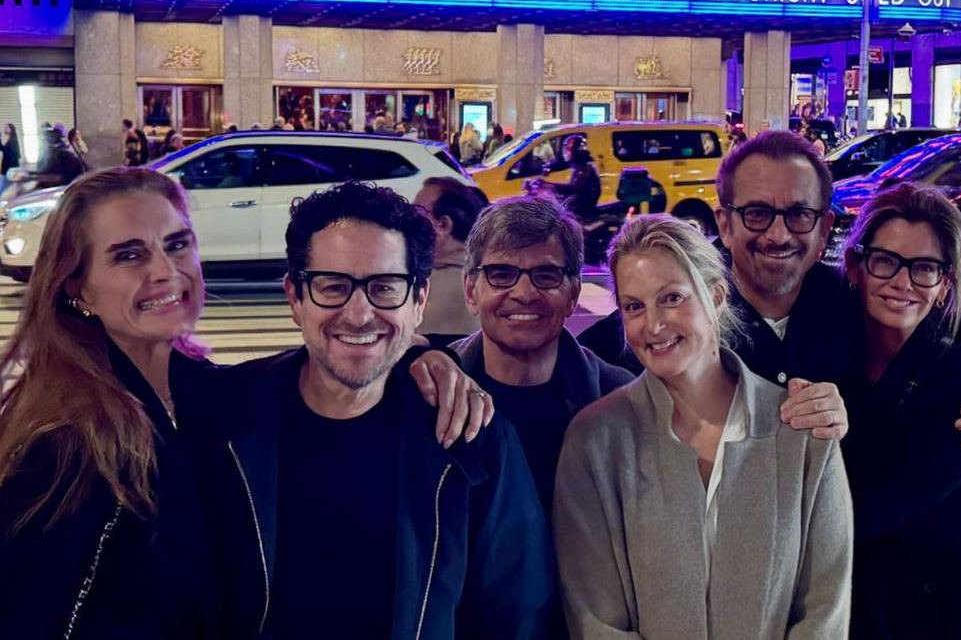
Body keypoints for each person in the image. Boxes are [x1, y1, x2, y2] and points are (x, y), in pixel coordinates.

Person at [179, 182, 555, 638]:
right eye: (333, 286)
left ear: (419, 302)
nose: (358, 314)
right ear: (294, 297)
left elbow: (517, 618)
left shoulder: (471, 439)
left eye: (384, 287)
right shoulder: (224, 420)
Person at [580, 130, 961, 455]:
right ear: (724, 224)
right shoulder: (678, 310)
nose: (778, 235)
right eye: (757, 213)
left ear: (824, 227)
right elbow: (584, 361)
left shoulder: (858, 298)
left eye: (798, 215)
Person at [554, 215, 853, 637]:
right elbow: (595, 621)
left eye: (672, 298)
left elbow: (825, 610)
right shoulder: (595, 441)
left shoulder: (801, 428)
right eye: (634, 306)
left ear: (715, 296)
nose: (653, 325)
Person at [0, 168, 220, 639]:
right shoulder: (66, 443)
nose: (166, 271)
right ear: (77, 288)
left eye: (178, 244)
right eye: (129, 255)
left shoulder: (202, 389)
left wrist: (417, 355)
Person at [840, 183, 961, 639]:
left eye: (924, 268)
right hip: (895, 593)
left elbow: (880, 507)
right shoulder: (834, 343)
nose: (902, 282)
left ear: (944, 284)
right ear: (857, 266)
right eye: (886, 261)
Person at [452, 195, 634, 515]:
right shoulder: (430, 393)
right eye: (501, 274)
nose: (524, 293)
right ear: (471, 291)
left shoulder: (622, 400)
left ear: (573, 294)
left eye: (546, 276)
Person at [414, 176, 489, 339]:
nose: (409, 221)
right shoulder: (485, 276)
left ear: (443, 225)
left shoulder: (439, 286)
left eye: (417, 213)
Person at [539, 136, 602, 220]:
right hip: (578, 205)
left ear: (576, 151)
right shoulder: (581, 166)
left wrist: (548, 185)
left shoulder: (585, 168)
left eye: (569, 149)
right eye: (566, 149)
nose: (566, 153)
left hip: (581, 210)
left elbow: (574, 189)